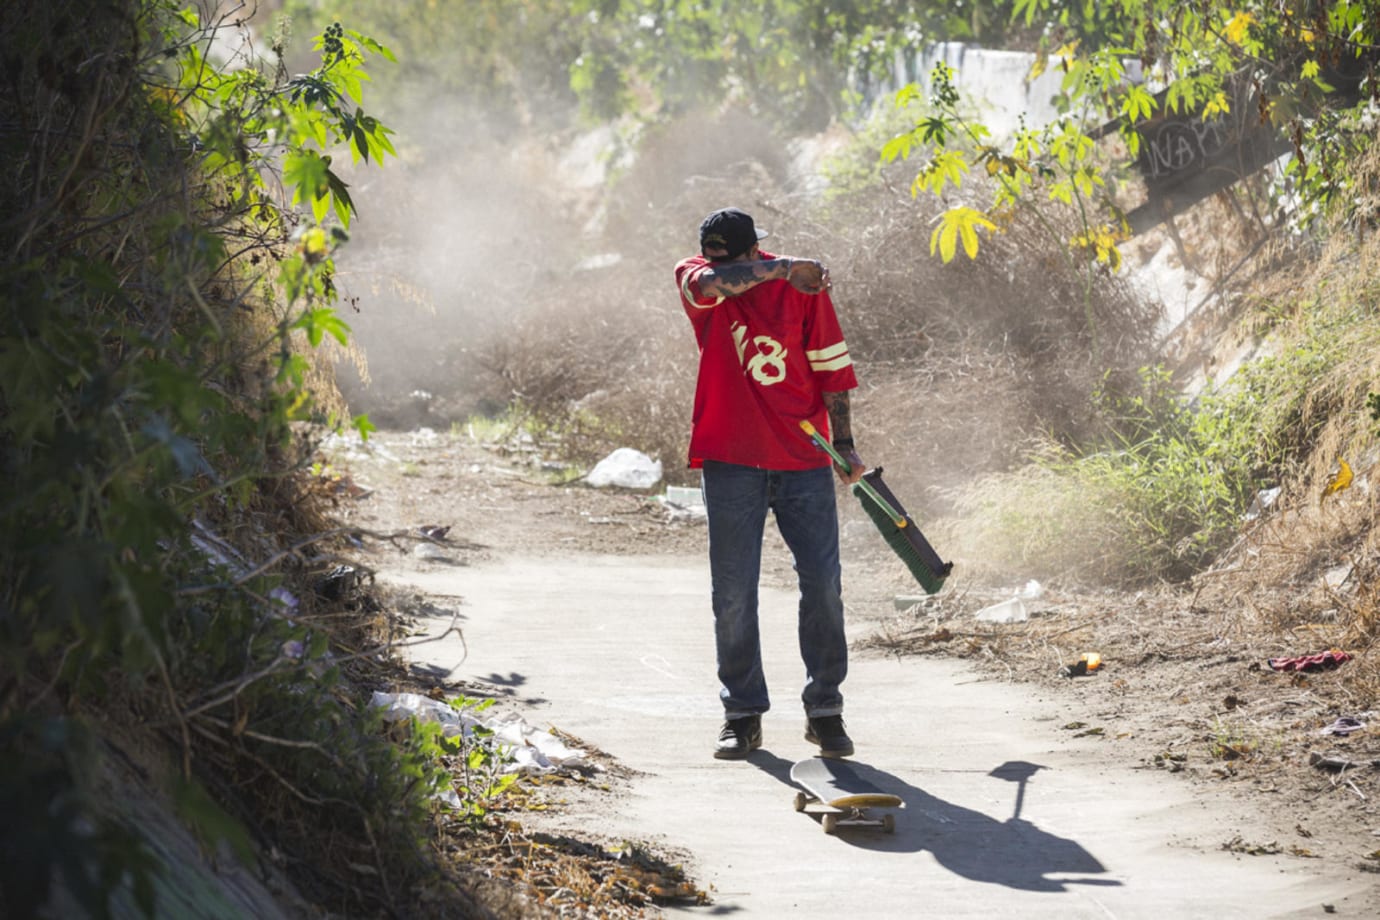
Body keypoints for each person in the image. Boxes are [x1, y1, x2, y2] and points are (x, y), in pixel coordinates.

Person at [673, 207, 865, 761]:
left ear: (753, 250)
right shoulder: (701, 277)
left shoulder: (801, 289)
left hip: (802, 458)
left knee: (823, 584)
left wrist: (845, 445)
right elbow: (710, 284)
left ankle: (825, 709)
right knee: (733, 593)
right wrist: (784, 268)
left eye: (730, 255)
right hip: (730, 460)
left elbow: (831, 366)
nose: (718, 265)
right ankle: (742, 713)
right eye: (715, 257)